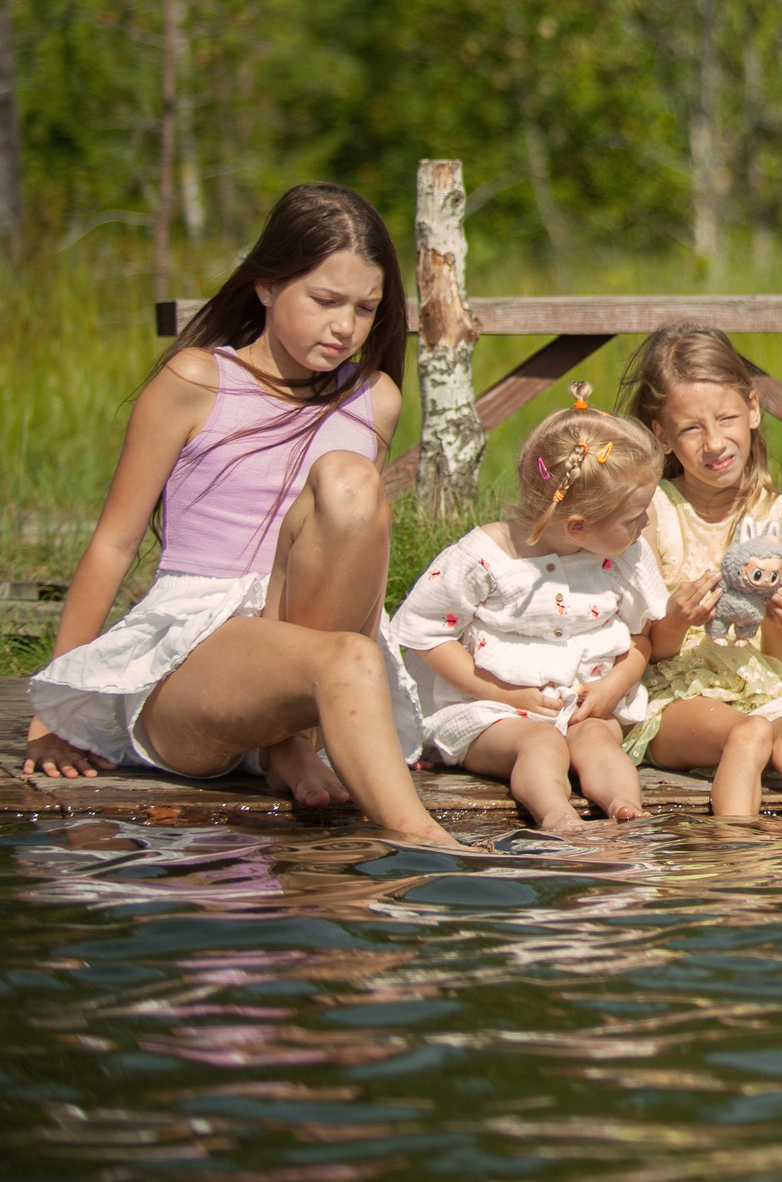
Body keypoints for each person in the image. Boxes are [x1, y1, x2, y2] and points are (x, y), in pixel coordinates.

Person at [22, 184, 458, 847]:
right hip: (200, 655)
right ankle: (430, 849)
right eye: (324, 299)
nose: (345, 326)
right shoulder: (197, 380)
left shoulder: (375, 399)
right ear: (265, 285)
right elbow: (113, 543)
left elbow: (350, 552)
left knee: (349, 485)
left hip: (309, 648)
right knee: (341, 659)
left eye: (366, 308)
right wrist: (53, 709)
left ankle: (295, 748)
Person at [391, 386, 665, 834]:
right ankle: (555, 812)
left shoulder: (624, 558)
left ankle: (625, 807)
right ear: (578, 526)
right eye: (635, 516)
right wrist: (503, 694)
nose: (646, 525)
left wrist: (612, 687)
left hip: (585, 706)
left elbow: (640, 638)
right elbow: (425, 633)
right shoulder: (486, 559)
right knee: (539, 744)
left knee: (598, 742)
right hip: (490, 712)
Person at [619, 324, 782, 819]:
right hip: (675, 695)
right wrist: (676, 618)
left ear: (754, 410)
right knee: (752, 732)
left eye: (727, 419)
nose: (715, 443)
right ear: (663, 436)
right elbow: (653, 650)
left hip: (759, 684)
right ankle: (735, 867)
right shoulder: (651, 513)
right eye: (692, 429)